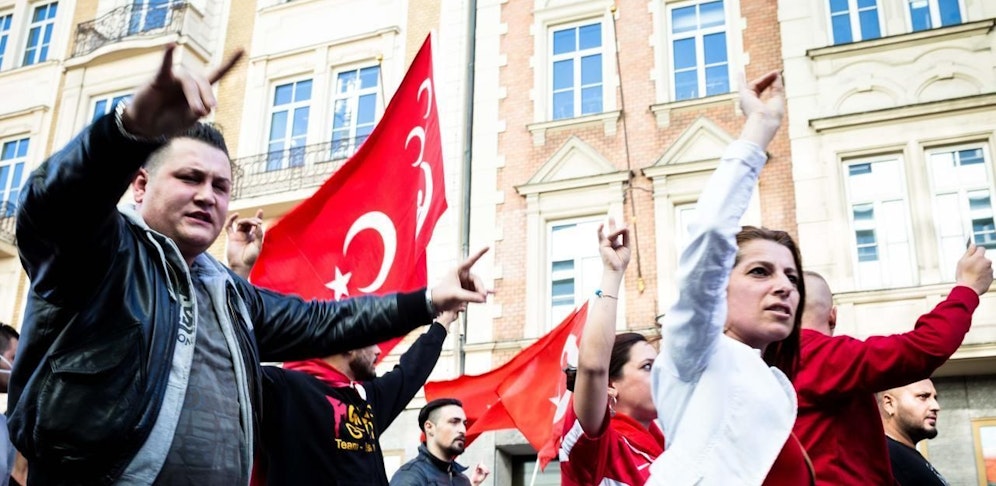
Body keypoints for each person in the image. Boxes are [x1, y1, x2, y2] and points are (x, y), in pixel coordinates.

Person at [11, 44, 490, 485]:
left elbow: (327, 319)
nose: (206, 195)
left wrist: (429, 300)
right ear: (140, 186)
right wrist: (126, 131)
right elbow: (51, 208)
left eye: (220, 187)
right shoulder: (100, 252)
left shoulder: (231, 296)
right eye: (189, 177)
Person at [648, 70, 814, 485]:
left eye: (792, 278)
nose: (784, 287)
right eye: (760, 271)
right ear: (717, 285)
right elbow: (709, 234)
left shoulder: (775, 381)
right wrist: (760, 127)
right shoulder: (697, 352)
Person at [224, 223, 466, 485]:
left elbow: (411, 371)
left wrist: (442, 322)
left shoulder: (368, 397)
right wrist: (238, 273)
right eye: (373, 342)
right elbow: (232, 356)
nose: (378, 351)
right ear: (349, 343)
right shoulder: (283, 388)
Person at [794, 264, 989, 485]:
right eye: (922, 396)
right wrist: (968, 288)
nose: (935, 406)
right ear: (833, 316)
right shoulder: (820, 355)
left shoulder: (780, 364)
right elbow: (926, 346)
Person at [559, 220, 663, 485]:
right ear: (610, 386)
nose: (662, 374)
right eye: (647, 367)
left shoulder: (673, 451)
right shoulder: (600, 448)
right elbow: (592, 367)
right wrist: (613, 273)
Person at [389, 398, 490, 486]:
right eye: (454, 422)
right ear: (429, 427)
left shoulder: (462, 480)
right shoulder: (409, 477)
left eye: (464, 423)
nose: (463, 430)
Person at [878, 379, 950, 485]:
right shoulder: (884, 458)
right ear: (889, 403)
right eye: (923, 397)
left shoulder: (904, 455)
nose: (936, 407)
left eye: (935, 398)